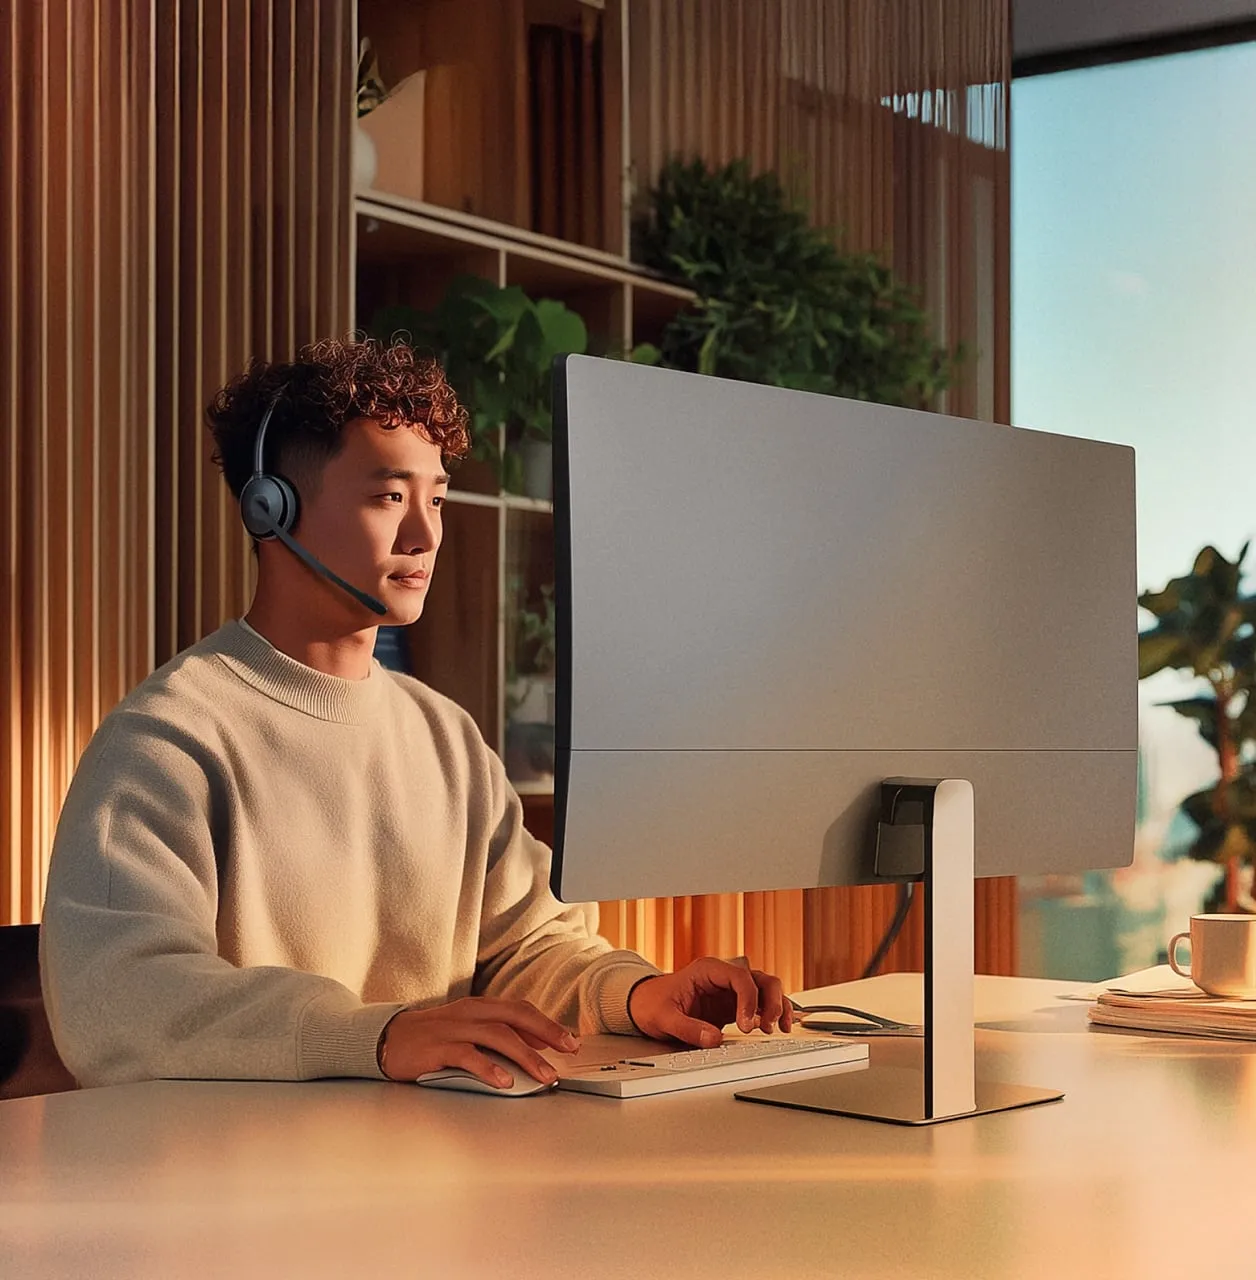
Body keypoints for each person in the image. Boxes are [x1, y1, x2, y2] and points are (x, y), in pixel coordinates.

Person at [39, 337, 794, 1091]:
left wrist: (633, 995)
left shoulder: (446, 739)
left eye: (435, 498)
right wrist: (372, 1036)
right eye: (389, 496)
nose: (426, 534)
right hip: (243, 1184)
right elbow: (118, 1003)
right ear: (271, 510)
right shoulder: (167, 741)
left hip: (432, 1167)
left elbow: (524, 948)